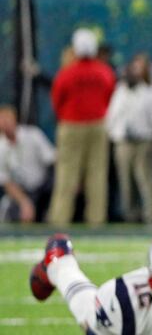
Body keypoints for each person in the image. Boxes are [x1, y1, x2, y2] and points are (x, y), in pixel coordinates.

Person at [48, 28, 116, 226]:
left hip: (71, 124)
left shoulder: (67, 72)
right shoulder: (104, 71)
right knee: (97, 174)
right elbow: (110, 95)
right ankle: (96, 218)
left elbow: (57, 99)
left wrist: (66, 117)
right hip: (98, 124)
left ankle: (60, 218)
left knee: (67, 173)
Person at [106, 54, 152, 224]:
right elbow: (111, 117)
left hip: (143, 141)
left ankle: (151, 216)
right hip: (123, 141)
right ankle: (129, 216)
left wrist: (151, 138)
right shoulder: (119, 92)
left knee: (145, 180)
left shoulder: (148, 92)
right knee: (126, 181)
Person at [0, 105, 55, 223]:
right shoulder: (1, 147)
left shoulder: (33, 134)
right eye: (2, 120)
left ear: (15, 119)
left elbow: (52, 160)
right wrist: (25, 203)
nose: (5, 123)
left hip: (44, 188)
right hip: (22, 192)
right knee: (10, 207)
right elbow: (6, 182)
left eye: (8, 119)